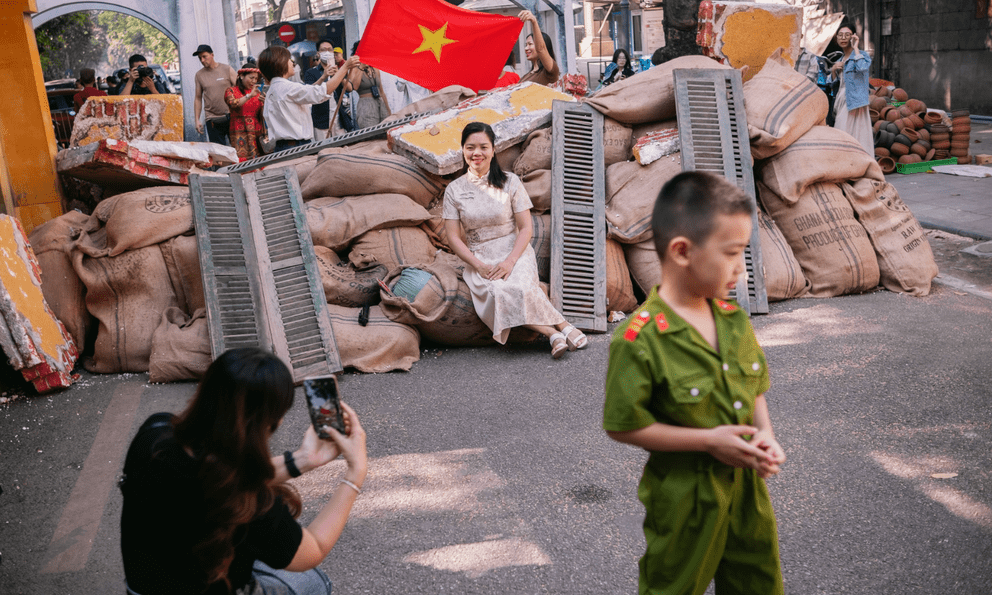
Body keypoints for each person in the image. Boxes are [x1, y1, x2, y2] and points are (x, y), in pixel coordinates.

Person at [603, 171, 786, 595]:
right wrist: (707, 441)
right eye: (732, 253)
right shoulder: (639, 339)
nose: (742, 269)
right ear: (682, 251)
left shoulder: (733, 320)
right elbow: (623, 425)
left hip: (747, 490)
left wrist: (767, 435)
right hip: (685, 499)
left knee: (758, 584)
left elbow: (754, 386)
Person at [120, 347, 367, 595]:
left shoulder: (154, 435)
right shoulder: (249, 505)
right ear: (271, 422)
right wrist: (355, 475)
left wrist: (302, 460)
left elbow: (219, 474)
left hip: (142, 589)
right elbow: (314, 549)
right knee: (313, 583)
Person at [443, 122, 588, 358]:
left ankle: (561, 329)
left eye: (483, 147)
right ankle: (555, 332)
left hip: (514, 250)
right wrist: (478, 265)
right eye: (470, 147)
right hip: (480, 256)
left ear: (493, 150)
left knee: (519, 286)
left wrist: (510, 261)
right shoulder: (454, 190)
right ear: (463, 150)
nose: (476, 153)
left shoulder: (510, 182)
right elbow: (453, 238)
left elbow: (525, 228)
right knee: (498, 292)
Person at [259, 45, 358, 152]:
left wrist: (324, 77)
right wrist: (345, 67)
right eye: (289, 59)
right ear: (280, 63)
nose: (293, 63)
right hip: (296, 147)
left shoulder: (276, 88)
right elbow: (322, 92)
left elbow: (309, 90)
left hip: (286, 146)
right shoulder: (286, 88)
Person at [829, 23, 872, 154]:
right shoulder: (840, 60)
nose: (843, 38)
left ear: (853, 37)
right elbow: (833, 84)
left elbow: (863, 68)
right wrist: (833, 71)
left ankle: (860, 163)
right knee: (843, 133)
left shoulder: (862, 55)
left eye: (847, 35)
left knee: (856, 135)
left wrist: (856, 48)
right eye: (840, 35)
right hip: (841, 100)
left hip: (856, 100)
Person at [193, 44, 239, 145]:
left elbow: (240, 89)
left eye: (204, 56)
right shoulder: (199, 75)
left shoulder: (226, 69)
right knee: (220, 154)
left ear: (212, 55)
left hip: (231, 116)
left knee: (237, 149)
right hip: (212, 119)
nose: (202, 60)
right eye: (200, 58)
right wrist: (197, 120)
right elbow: (198, 98)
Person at [303, 40, 344, 142]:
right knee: (324, 149)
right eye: (323, 50)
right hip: (321, 119)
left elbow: (350, 88)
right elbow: (309, 91)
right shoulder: (311, 72)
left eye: (329, 50)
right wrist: (324, 76)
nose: (327, 52)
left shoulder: (338, 70)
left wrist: (339, 74)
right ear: (318, 53)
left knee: (342, 148)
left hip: (339, 118)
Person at [225, 63, 267, 161]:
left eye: (256, 79)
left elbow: (262, 115)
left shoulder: (258, 93)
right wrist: (249, 96)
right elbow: (233, 103)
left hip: (257, 134)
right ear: (241, 76)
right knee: (243, 162)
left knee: (260, 162)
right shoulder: (231, 91)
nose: (254, 81)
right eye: (251, 78)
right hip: (239, 133)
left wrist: (265, 104)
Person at [345, 41, 391, 129]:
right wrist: (361, 67)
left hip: (379, 102)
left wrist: (388, 110)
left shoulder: (374, 67)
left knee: (385, 130)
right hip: (365, 104)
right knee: (370, 133)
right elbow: (354, 87)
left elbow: (381, 90)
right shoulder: (354, 68)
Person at [517, 11, 560, 86]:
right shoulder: (526, 76)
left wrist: (534, 21)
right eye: (526, 45)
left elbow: (541, 49)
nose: (526, 48)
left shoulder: (549, 71)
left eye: (530, 44)